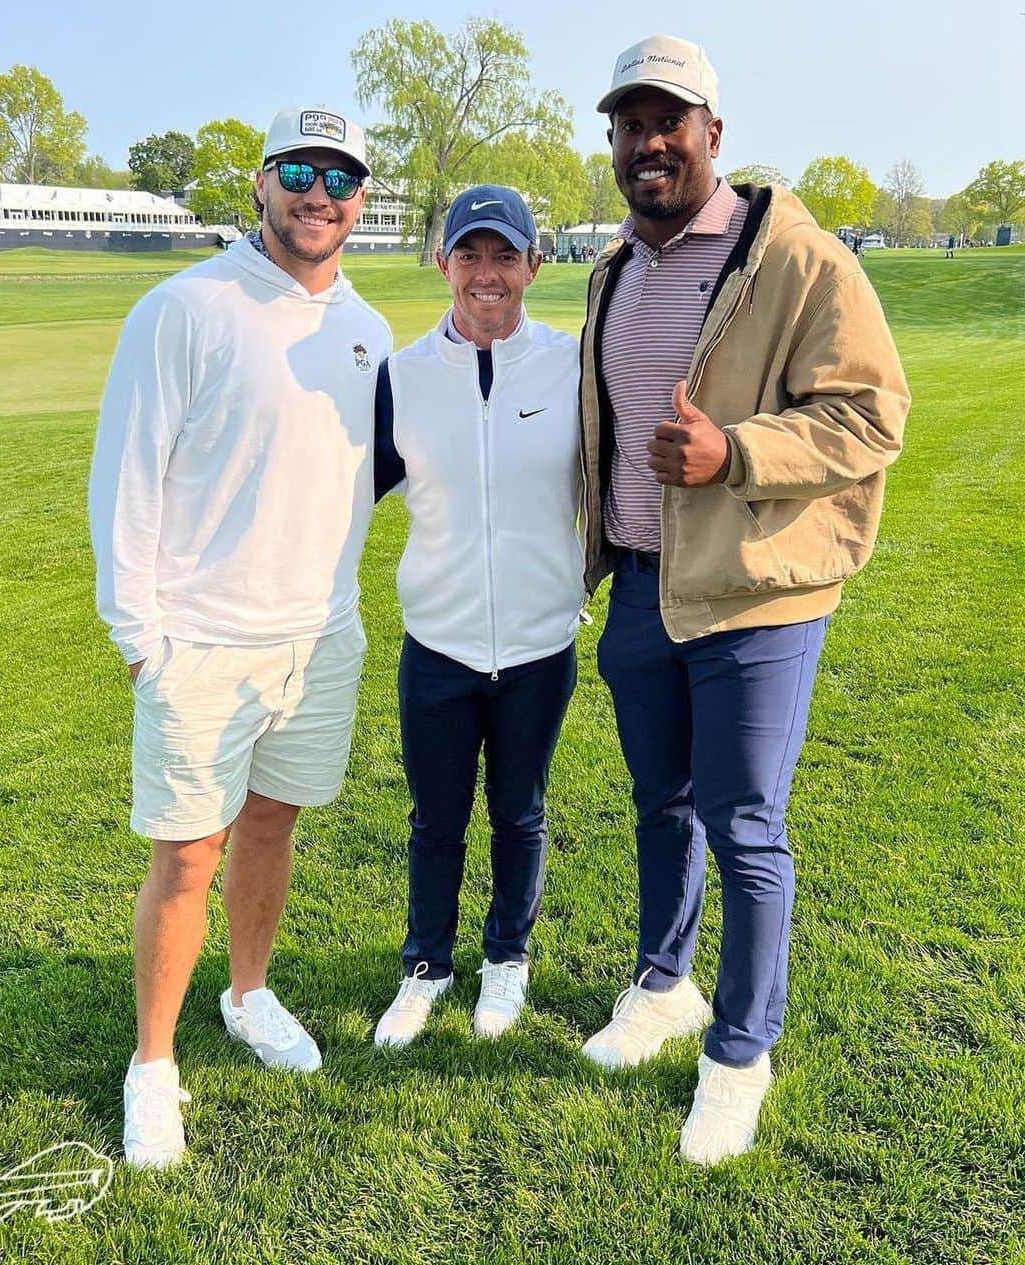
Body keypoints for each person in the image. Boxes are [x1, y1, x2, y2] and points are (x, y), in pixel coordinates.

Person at [578, 35, 909, 1163]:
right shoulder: (615, 268)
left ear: (715, 134)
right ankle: (664, 984)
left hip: (756, 598)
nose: (649, 143)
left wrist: (737, 453)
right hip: (638, 588)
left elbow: (873, 414)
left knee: (745, 825)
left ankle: (739, 1050)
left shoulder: (801, 261)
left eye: (670, 121)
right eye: (630, 124)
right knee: (660, 804)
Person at [89, 105, 391, 1168]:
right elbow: (124, 476)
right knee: (185, 856)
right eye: (301, 171)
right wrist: (142, 638)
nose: (321, 193)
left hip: (319, 637)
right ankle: (152, 1064)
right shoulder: (185, 307)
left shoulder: (366, 326)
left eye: (342, 176)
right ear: (261, 182)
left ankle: (250, 993)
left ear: (363, 198)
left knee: (272, 827)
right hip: (201, 643)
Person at [370, 186, 584, 1046]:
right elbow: (341, 490)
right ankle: (426, 963)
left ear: (535, 264)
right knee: (435, 819)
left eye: (505, 256)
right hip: (439, 644)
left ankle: (507, 958)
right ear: (443, 262)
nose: (486, 275)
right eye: (470, 255)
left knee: (520, 813)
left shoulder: (572, 366)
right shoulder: (402, 376)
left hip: (539, 643)